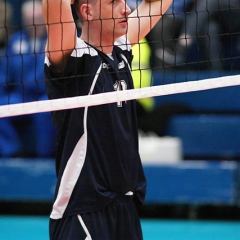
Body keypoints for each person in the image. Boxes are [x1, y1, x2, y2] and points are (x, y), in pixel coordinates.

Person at [42, 0, 172, 239]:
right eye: (114, 3)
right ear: (87, 11)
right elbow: (54, 6)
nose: (126, 9)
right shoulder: (74, 58)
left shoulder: (121, 51)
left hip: (125, 207)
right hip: (83, 210)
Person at [0, 0, 56, 157]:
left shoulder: (55, 39)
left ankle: (45, 158)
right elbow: (5, 72)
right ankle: (13, 154)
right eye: (29, 20)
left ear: (45, 19)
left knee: (45, 112)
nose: (33, 24)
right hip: (21, 96)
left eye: (37, 19)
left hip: (46, 95)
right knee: (1, 106)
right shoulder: (15, 41)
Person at [175, 0, 240, 70]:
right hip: (216, 17)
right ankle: (216, 70)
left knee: (209, 2)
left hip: (235, 14)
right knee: (211, 28)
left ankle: (182, 46)